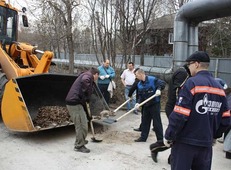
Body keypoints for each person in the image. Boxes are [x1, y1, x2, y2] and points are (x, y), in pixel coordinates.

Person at [164, 51, 231, 170]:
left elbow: (180, 114)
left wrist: (169, 135)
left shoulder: (192, 83)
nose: (188, 68)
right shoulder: (219, 88)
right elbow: (226, 118)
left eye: (189, 65)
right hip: (206, 145)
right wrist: (215, 135)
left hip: (185, 143)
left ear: (196, 64)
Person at [150, 64, 191, 163]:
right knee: (176, 134)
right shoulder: (183, 73)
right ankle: (156, 147)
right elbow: (178, 91)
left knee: (178, 135)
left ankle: (171, 157)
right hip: (175, 108)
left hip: (175, 107)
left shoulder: (184, 73)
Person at [65, 67, 99, 153]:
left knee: (84, 123)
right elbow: (85, 81)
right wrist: (88, 94)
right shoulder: (88, 76)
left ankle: (81, 140)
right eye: (97, 77)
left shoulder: (85, 74)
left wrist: (89, 115)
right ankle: (79, 146)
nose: (96, 79)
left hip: (77, 102)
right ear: (96, 74)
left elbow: (83, 97)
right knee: (81, 125)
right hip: (74, 103)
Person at [134, 69, 166, 144]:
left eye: (136, 75)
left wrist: (158, 89)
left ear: (141, 74)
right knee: (145, 121)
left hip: (154, 104)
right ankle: (143, 137)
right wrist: (138, 103)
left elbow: (162, 83)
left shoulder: (152, 79)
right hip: (146, 105)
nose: (136, 76)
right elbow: (140, 96)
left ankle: (160, 140)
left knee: (157, 122)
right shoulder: (139, 84)